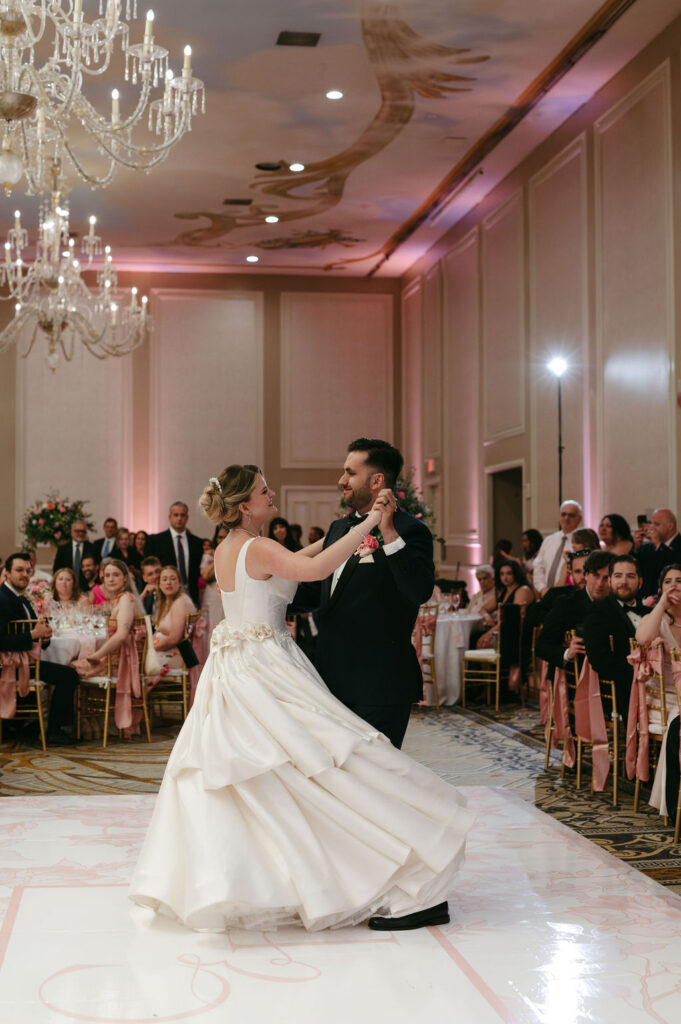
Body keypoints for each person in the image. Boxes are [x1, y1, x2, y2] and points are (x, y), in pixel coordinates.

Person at [129, 463, 472, 933]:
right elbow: (314, 569)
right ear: (244, 505)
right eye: (263, 491)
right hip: (265, 666)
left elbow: (298, 557)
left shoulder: (232, 546)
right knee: (317, 762)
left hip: (238, 667)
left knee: (273, 774)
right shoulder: (258, 547)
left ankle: (283, 876)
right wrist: (371, 523)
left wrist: (343, 532)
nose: (271, 494)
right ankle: (378, 859)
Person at [294, 438, 435, 749]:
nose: (341, 480)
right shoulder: (338, 529)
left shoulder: (410, 531)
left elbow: (418, 591)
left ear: (376, 481)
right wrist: (261, 597)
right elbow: (317, 591)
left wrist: (388, 532)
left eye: (350, 472)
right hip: (330, 682)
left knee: (376, 773)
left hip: (380, 684)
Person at [0, 552, 80, 745]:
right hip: (9, 667)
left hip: (24, 662)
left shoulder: (20, 598)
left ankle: (24, 726)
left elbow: (32, 634)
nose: (25, 575)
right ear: (7, 572)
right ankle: (54, 731)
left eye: (28, 571)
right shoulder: (2, 599)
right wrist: (33, 635)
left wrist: (44, 638)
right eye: (19, 570)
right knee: (69, 675)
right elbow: (1, 640)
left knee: (68, 673)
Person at [634, 564, 681, 821]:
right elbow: (642, 638)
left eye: (679, 581)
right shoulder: (656, 620)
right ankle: (674, 803)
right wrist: (662, 603)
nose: (674, 586)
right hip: (665, 700)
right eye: (668, 582)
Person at [583, 554, 650, 716]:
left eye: (630, 576)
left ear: (640, 582)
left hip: (657, 682)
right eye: (618, 576)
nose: (623, 582)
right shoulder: (598, 611)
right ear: (610, 581)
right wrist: (639, 676)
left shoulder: (650, 613)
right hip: (623, 689)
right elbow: (599, 660)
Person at [536, 550, 612, 674]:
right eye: (596, 575)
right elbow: (541, 647)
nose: (600, 584)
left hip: (612, 676)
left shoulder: (617, 604)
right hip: (574, 676)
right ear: (586, 575)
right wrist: (567, 653)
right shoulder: (566, 604)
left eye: (606, 578)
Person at [147, 502, 204, 606]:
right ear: (170, 517)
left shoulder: (197, 543)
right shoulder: (156, 541)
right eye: (176, 515)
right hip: (165, 595)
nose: (179, 518)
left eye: (182, 515)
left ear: (187, 518)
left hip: (191, 594)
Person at [531, 500, 583, 595]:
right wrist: (542, 588)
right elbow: (538, 567)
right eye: (563, 514)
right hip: (545, 594)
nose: (566, 518)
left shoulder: (581, 542)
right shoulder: (549, 540)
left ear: (579, 519)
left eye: (571, 515)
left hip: (569, 595)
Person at [151, 565, 197, 673]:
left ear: (180, 583)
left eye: (172, 579)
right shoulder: (166, 602)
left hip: (177, 654)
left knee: (138, 663)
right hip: (165, 650)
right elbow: (158, 631)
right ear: (159, 585)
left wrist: (150, 649)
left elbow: (174, 639)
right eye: (164, 579)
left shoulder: (180, 602)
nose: (168, 583)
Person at [633, 508, 681, 599]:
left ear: (670, 526)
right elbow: (635, 567)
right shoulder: (647, 546)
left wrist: (659, 545)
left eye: (656, 524)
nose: (652, 527)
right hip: (645, 598)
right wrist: (636, 548)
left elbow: (674, 565)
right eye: (651, 523)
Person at [52, 520, 96, 591]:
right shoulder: (63, 549)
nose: (80, 533)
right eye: (77, 531)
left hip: (87, 588)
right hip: (66, 587)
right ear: (71, 532)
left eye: (83, 531)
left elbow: (96, 568)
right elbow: (57, 569)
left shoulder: (93, 548)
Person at [200, 525, 227, 634]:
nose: (222, 540)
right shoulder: (209, 555)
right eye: (220, 537)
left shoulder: (235, 554)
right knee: (211, 629)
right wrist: (218, 555)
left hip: (228, 595)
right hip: (212, 595)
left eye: (225, 537)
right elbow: (205, 575)